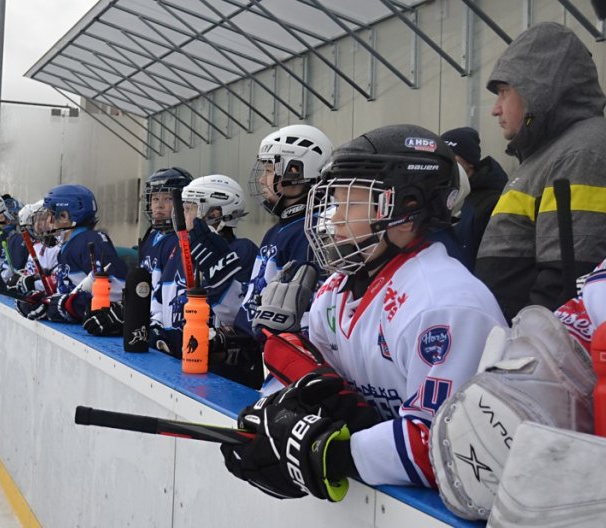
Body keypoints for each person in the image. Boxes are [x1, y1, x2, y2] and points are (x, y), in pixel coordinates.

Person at [221, 124, 506, 501]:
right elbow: (309, 387)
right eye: (333, 202)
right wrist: (279, 420)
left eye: (350, 201)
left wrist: (333, 453)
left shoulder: (446, 306)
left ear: (406, 207)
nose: (333, 219)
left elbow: (442, 445)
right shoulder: (336, 291)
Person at [475, 22, 606, 321]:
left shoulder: (579, 153)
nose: (495, 109)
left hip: (537, 354)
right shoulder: (548, 154)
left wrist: (523, 350)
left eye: (504, 92)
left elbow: (568, 281)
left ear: (540, 90)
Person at [150, 175, 259, 385]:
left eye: (190, 208)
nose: (180, 214)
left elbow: (240, 317)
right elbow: (158, 305)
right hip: (174, 371)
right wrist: (157, 333)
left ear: (215, 214)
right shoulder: (177, 252)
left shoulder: (242, 251)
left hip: (221, 379)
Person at [235, 124, 333, 338]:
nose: (262, 179)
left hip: (277, 351)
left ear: (294, 170)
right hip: (255, 348)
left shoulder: (312, 232)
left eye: (269, 170)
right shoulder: (278, 229)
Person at [83, 167, 193, 338]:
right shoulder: (152, 236)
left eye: (168, 198)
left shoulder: (181, 241)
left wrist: (133, 316)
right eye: (155, 198)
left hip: (164, 329)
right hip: (148, 321)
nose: (159, 205)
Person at [15, 184, 128, 323]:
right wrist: (42, 297)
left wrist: (67, 306)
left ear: (64, 216)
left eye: (51, 216)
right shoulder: (69, 245)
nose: (48, 223)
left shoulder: (90, 241)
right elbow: (70, 290)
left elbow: (114, 292)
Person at [440, 126, 508, 265]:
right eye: (441, 156)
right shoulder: (441, 195)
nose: (444, 163)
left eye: (451, 156)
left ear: (469, 162)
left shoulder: (491, 203)